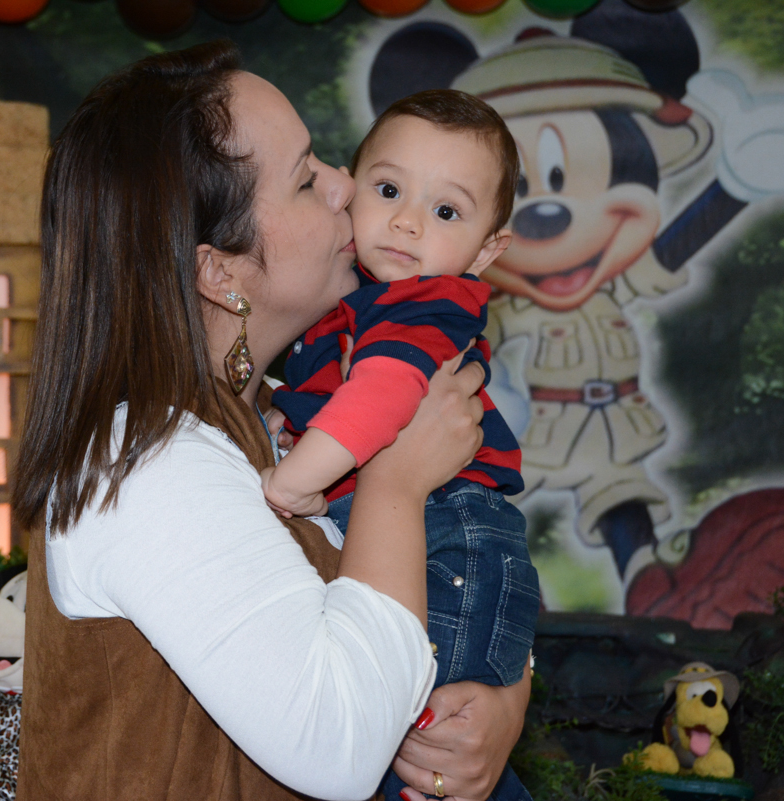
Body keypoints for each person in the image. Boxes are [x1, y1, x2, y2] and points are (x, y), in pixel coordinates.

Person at [13, 42, 531, 801]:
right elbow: (342, 746)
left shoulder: (273, 417)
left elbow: (426, 592)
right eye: (306, 177)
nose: (345, 185)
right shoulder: (145, 462)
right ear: (218, 270)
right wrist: (393, 480)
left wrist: (502, 700)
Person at [263, 90, 540, 801]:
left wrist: (295, 478)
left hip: (453, 531)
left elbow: (381, 397)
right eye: (387, 190)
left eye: (446, 211)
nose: (408, 221)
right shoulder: (350, 306)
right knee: (414, 740)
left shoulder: (431, 300)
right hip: (417, 531)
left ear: (486, 251)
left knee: (424, 728)